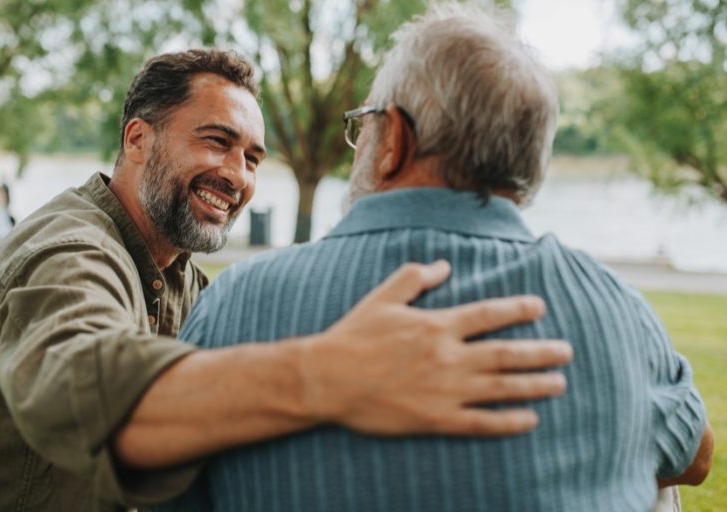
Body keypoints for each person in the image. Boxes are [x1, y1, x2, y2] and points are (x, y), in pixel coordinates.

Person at [0, 49, 575, 511]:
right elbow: (89, 394)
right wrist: (334, 374)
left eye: (252, 157)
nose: (237, 175)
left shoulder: (185, 281)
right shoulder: (68, 251)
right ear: (138, 139)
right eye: (217, 141)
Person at [159, 4, 714, 512]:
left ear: (395, 139)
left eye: (365, 123)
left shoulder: (235, 305)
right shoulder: (618, 310)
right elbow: (697, 455)